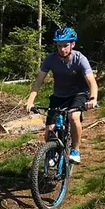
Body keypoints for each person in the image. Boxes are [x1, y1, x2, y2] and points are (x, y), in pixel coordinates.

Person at [25, 27, 99, 164]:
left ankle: (75, 150)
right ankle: (52, 152)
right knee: (49, 131)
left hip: (79, 94)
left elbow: (92, 83)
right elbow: (38, 82)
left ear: (73, 44)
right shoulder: (50, 60)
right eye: (59, 46)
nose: (62, 49)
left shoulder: (80, 59)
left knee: (73, 116)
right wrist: (30, 101)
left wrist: (93, 99)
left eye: (65, 46)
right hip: (59, 96)